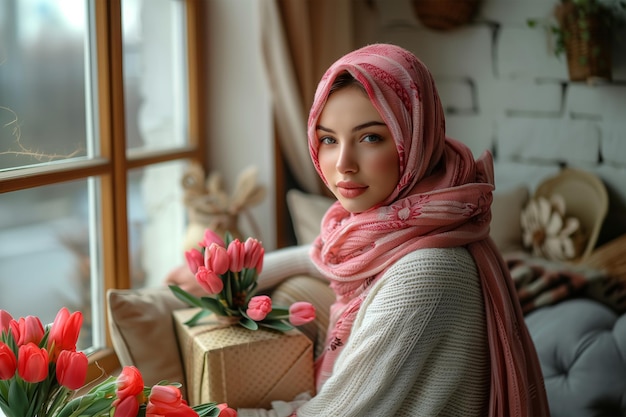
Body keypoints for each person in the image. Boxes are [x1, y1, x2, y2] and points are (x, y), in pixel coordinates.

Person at [167, 43, 550, 417]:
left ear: (413, 139)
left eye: (370, 137)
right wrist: (218, 278)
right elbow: (320, 256)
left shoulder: (427, 272)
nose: (343, 164)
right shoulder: (399, 229)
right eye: (329, 140)